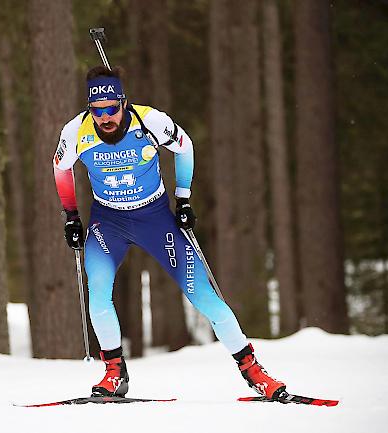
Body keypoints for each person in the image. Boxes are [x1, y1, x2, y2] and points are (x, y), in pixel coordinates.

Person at [53, 65, 285, 399]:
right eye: (97, 111)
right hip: (109, 222)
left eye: (111, 109)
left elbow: (184, 146)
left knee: (205, 297)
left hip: (156, 218)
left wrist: (184, 199)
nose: (105, 118)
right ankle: (115, 372)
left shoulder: (150, 121)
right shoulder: (76, 131)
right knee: (99, 293)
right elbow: (60, 168)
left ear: (123, 102)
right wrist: (72, 216)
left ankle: (254, 372)